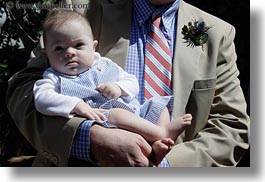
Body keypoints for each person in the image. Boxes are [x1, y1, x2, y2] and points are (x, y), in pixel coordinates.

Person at [6, 0, 250, 167]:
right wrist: (88, 138)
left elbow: (231, 124)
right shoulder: (81, 10)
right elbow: (23, 89)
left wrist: (163, 167)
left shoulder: (215, 32)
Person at [33, 9, 192, 166]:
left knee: (159, 105)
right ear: (47, 54)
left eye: (79, 45)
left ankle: (156, 143)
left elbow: (131, 81)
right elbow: (41, 98)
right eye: (59, 48)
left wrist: (119, 88)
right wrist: (75, 105)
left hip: (138, 114)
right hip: (108, 123)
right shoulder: (53, 77)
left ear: (93, 46)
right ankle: (161, 133)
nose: (69, 52)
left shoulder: (105, 64)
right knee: (116, 114)